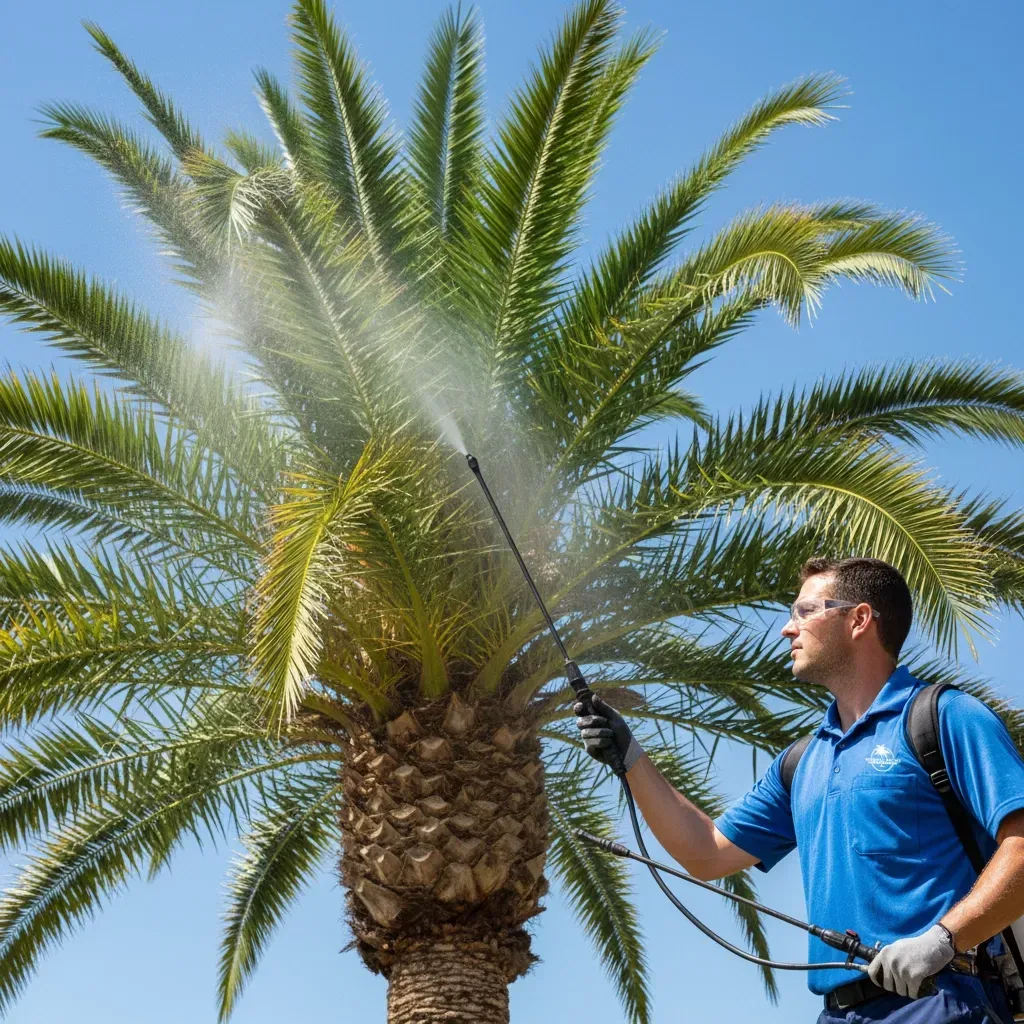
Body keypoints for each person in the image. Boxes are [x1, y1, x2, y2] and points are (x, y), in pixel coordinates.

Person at [576, 556, 1024, 1023]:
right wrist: (630, 758)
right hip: (836, 1014)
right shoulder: (802, 761)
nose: (787, 630)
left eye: (804, 611)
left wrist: (943, 939)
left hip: (941, 1003)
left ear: (859, 619)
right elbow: (706, 853)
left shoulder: (945, 717)